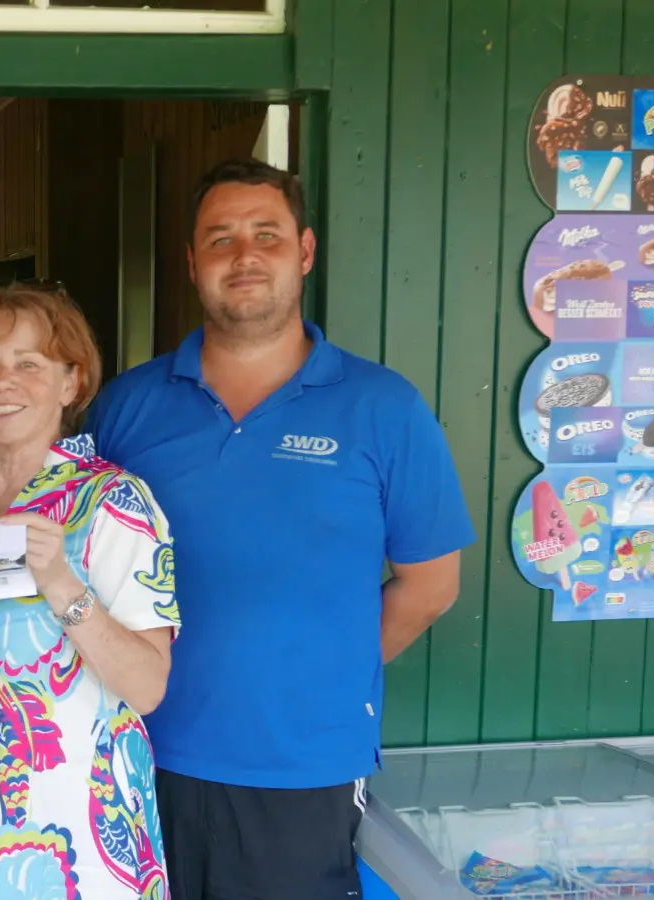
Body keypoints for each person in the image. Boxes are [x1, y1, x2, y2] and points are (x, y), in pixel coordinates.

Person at [87, 157, 475, 899]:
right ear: (192, 261)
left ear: (303, 251)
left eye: (266, 234)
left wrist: (318, 672)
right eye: (221, 237)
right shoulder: (128, 408)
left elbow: (430, 587)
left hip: (301, 772)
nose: (244, 255)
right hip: (134, 755)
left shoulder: (383, 408)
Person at [0, 282, 181, 900]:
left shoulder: (114, 504)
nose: (3, 381)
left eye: (29, 364)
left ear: (72, 383)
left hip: (75, 836)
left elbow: (149, 687)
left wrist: (60, 583)